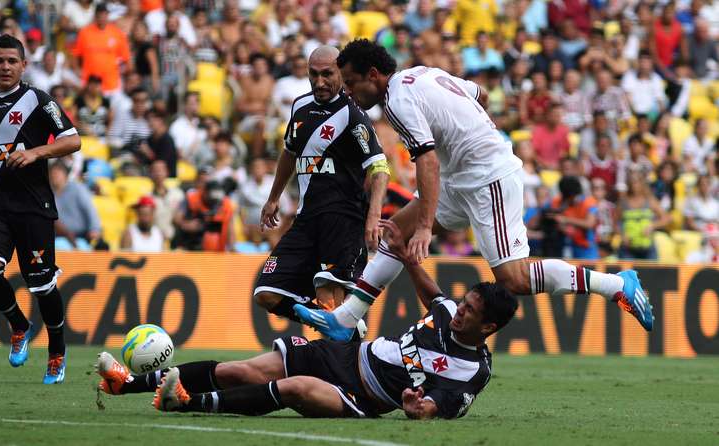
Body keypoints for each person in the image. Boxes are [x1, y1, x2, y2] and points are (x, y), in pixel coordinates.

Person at [295, 39, 653, 341]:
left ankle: (615, 284)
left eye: (353, 84)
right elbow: (478, 94)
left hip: (486, 178)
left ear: (373, 75)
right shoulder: (423, 73)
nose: (351, 94)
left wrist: (425, 225)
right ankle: (346, 319)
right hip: (461, 176)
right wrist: (473, 134)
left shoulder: (396, 101)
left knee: (514, 279)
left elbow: (428, 161)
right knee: (395, 236)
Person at [95, 219, 518, 420]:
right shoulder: (448, 312)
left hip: (361, 396)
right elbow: (435, 296)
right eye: (465, 303)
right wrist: (409, 261)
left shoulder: (471, 372)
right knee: (243, 369)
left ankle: (187, 402)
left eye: (470, 312)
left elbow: (437, 407)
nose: (460, 311)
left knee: (293, 388)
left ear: (488, 329)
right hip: (345, 352)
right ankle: (126, 384)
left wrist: (416, 407)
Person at [0, 34, 81, 383]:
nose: (6, 67)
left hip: (32, 206)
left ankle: (57, 350)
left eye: (13, 61)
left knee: (41, 286)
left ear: (24, 65)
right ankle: (18, 325)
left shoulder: (39, 101)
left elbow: (73, 139)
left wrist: (37, 152)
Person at [254, 46, 389, 330]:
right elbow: (290, 152)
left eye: (327, 74)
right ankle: (336, 328)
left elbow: (379, 169)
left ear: (341, 72)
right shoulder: (299, 107)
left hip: (343, 221)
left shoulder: (354, 115)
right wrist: (274, 197)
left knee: (330, 298)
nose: (320, 82)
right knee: (265, 293)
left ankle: (339, 355)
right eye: (313, 75)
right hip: (306, 220)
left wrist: (374, 216)